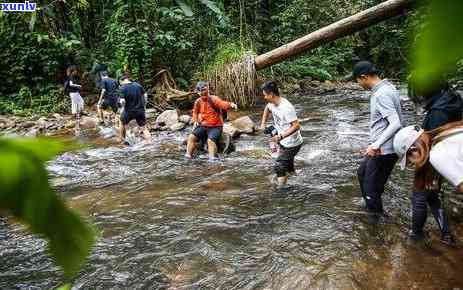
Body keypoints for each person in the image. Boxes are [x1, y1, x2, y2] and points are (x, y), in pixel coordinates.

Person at [400, 78, 463, 245]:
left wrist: (425, 170)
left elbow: (430, 143)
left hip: (435, 159)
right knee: (432, 195)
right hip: (448, 157)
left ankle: (416, 236)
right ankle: (446, 234)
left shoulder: (438, 111)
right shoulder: (451, 99)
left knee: (419, 196)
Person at [351, 61, 404, 223]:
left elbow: (395, 122)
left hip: (384, 150)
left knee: (371, 188)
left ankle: (376, 225)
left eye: (357, 81)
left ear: (364, 77)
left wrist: (375, 145)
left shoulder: (381, 94)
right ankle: (372, 205)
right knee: (362, 174)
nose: (358, 84)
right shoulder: (387, 88)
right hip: (383, 147)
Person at [394, 122, 463, 231]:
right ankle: (446, 235)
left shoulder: (437, 155)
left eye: (410, 162)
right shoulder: (447, 133)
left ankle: (417, 237)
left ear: (413, 150)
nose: (413, 165)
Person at [259, 80, 303, 187]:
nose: (264, 97)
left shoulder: (286, 107)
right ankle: (295, 177)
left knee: (279, 166)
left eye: (265, 95)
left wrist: (281, 136)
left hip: (293, 143)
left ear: (272, 94)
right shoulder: (272, 103)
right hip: (283, 140)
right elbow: (267, 108)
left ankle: (281, 190)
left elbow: (296, 125)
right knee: (287, 165)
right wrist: (263, 123)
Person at [185, 81, 237, 160]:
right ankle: (188, 156)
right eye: (200, 90)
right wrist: (195, 121)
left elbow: (222, 104)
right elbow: (195, 112)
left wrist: (230, 104)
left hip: (216, 126)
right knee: (191, 137)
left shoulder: (213, 99)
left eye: (204, 90)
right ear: (198, 92)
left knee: (210, 141)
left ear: (207, 89)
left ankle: (212, 158)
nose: (202, 92)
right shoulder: (198, 102)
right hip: (203, 126)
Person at [118, 74, 151, 142]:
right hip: (140, 110)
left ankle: (122, 140)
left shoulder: (122, 88)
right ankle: (150, 142)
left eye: (120, 83)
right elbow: (145, 95)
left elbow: (122, 101)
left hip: (129, 111)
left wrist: (122, 109)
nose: (120, 84)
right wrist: (144, 105)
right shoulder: (138, 85)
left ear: (122, 81)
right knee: (144, 128)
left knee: (121, 122)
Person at [66, 65, 84, 134]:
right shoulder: (71, 77)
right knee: (77, 103)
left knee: (79, 102)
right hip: (73, 93)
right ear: (73, 71)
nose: (76, 71)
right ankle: (77, 115)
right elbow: (71, 84)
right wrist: (78, 86)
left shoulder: (72, 76)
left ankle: (77, 114)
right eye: (75, 70)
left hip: (75, 92)